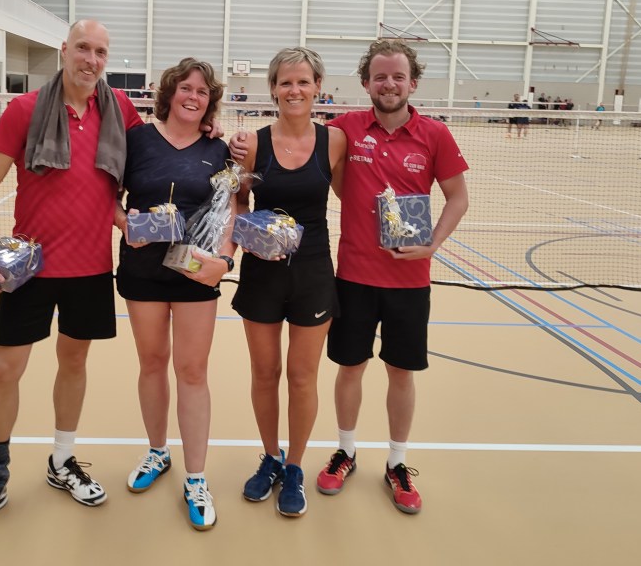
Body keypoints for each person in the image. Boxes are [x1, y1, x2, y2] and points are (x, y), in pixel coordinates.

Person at [0, 20, 144, 540]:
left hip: (91, 268)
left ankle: (62, 460)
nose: (91, 59)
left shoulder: (119, 109)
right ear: (64, 50)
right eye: (83, 48)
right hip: (27, 267)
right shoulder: (26, 110)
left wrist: (212, 131)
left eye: (101, 51)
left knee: (73, 363)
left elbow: (153, 155)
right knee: (5, 370)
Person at [316, 40, 469, 514]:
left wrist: (433, 244)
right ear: (366, 83)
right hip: (354, 276)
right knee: (351, 367)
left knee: (401, 372)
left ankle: (397, 463)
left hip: (410, 281)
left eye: (398, 76)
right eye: (380, 76)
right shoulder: (344, 128)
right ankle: (345, 451)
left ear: (412, 83)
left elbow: (458, 197)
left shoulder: (435, 134)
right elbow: (295, 138)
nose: (389, 84)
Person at [116, 58, 233, 532]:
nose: (193, 96)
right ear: (169, 93)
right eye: (186, 88)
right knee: (151, 363)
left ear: (210, 102)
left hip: (194, 273)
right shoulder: (137, 139)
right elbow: (108, 193)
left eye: (202, 91)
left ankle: (197, 477)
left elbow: (230, 208)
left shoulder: (218, 148)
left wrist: (225, 260)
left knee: (192, 371)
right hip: (141, 270)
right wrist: (126, 225)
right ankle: (157, 451)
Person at [231, 47, 346, 518]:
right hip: (262, 271)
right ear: (273, 89)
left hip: (313, 271)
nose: (294, 90)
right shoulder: (252, 144)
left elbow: (354, 194)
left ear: (318, 86)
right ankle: (271, 457)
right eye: (285, 82)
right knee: (264, 373)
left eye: (303, 81)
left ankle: (295, 466)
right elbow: (237, 202)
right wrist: (241, 242)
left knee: (302, 376)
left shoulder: (334, 141)